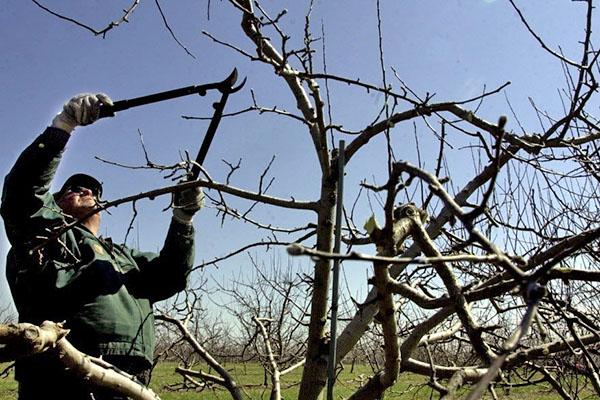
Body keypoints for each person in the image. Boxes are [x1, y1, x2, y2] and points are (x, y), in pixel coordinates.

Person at [1, 93, 204, 399]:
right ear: (53, 205)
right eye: (72, 188)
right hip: (60, 378)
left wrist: (182, 219)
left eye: (93, 190)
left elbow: (172, 276)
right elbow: (22, 195)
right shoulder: (47, 238)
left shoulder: (125, 256)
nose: (85, 189)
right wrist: (63, 125)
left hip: (129, 381)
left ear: (103, 206)